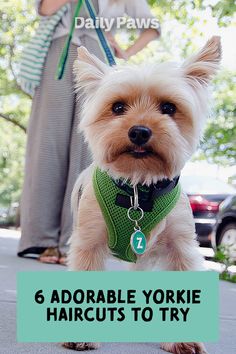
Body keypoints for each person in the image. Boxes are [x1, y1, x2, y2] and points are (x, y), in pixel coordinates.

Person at [18, 0, 161, 264]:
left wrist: (126, 52)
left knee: (89, 148)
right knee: (47, 144)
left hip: (98, 55)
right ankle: (42, 239)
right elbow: (45, 9)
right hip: (59, 50)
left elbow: (152, 27)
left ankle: (74, 241)